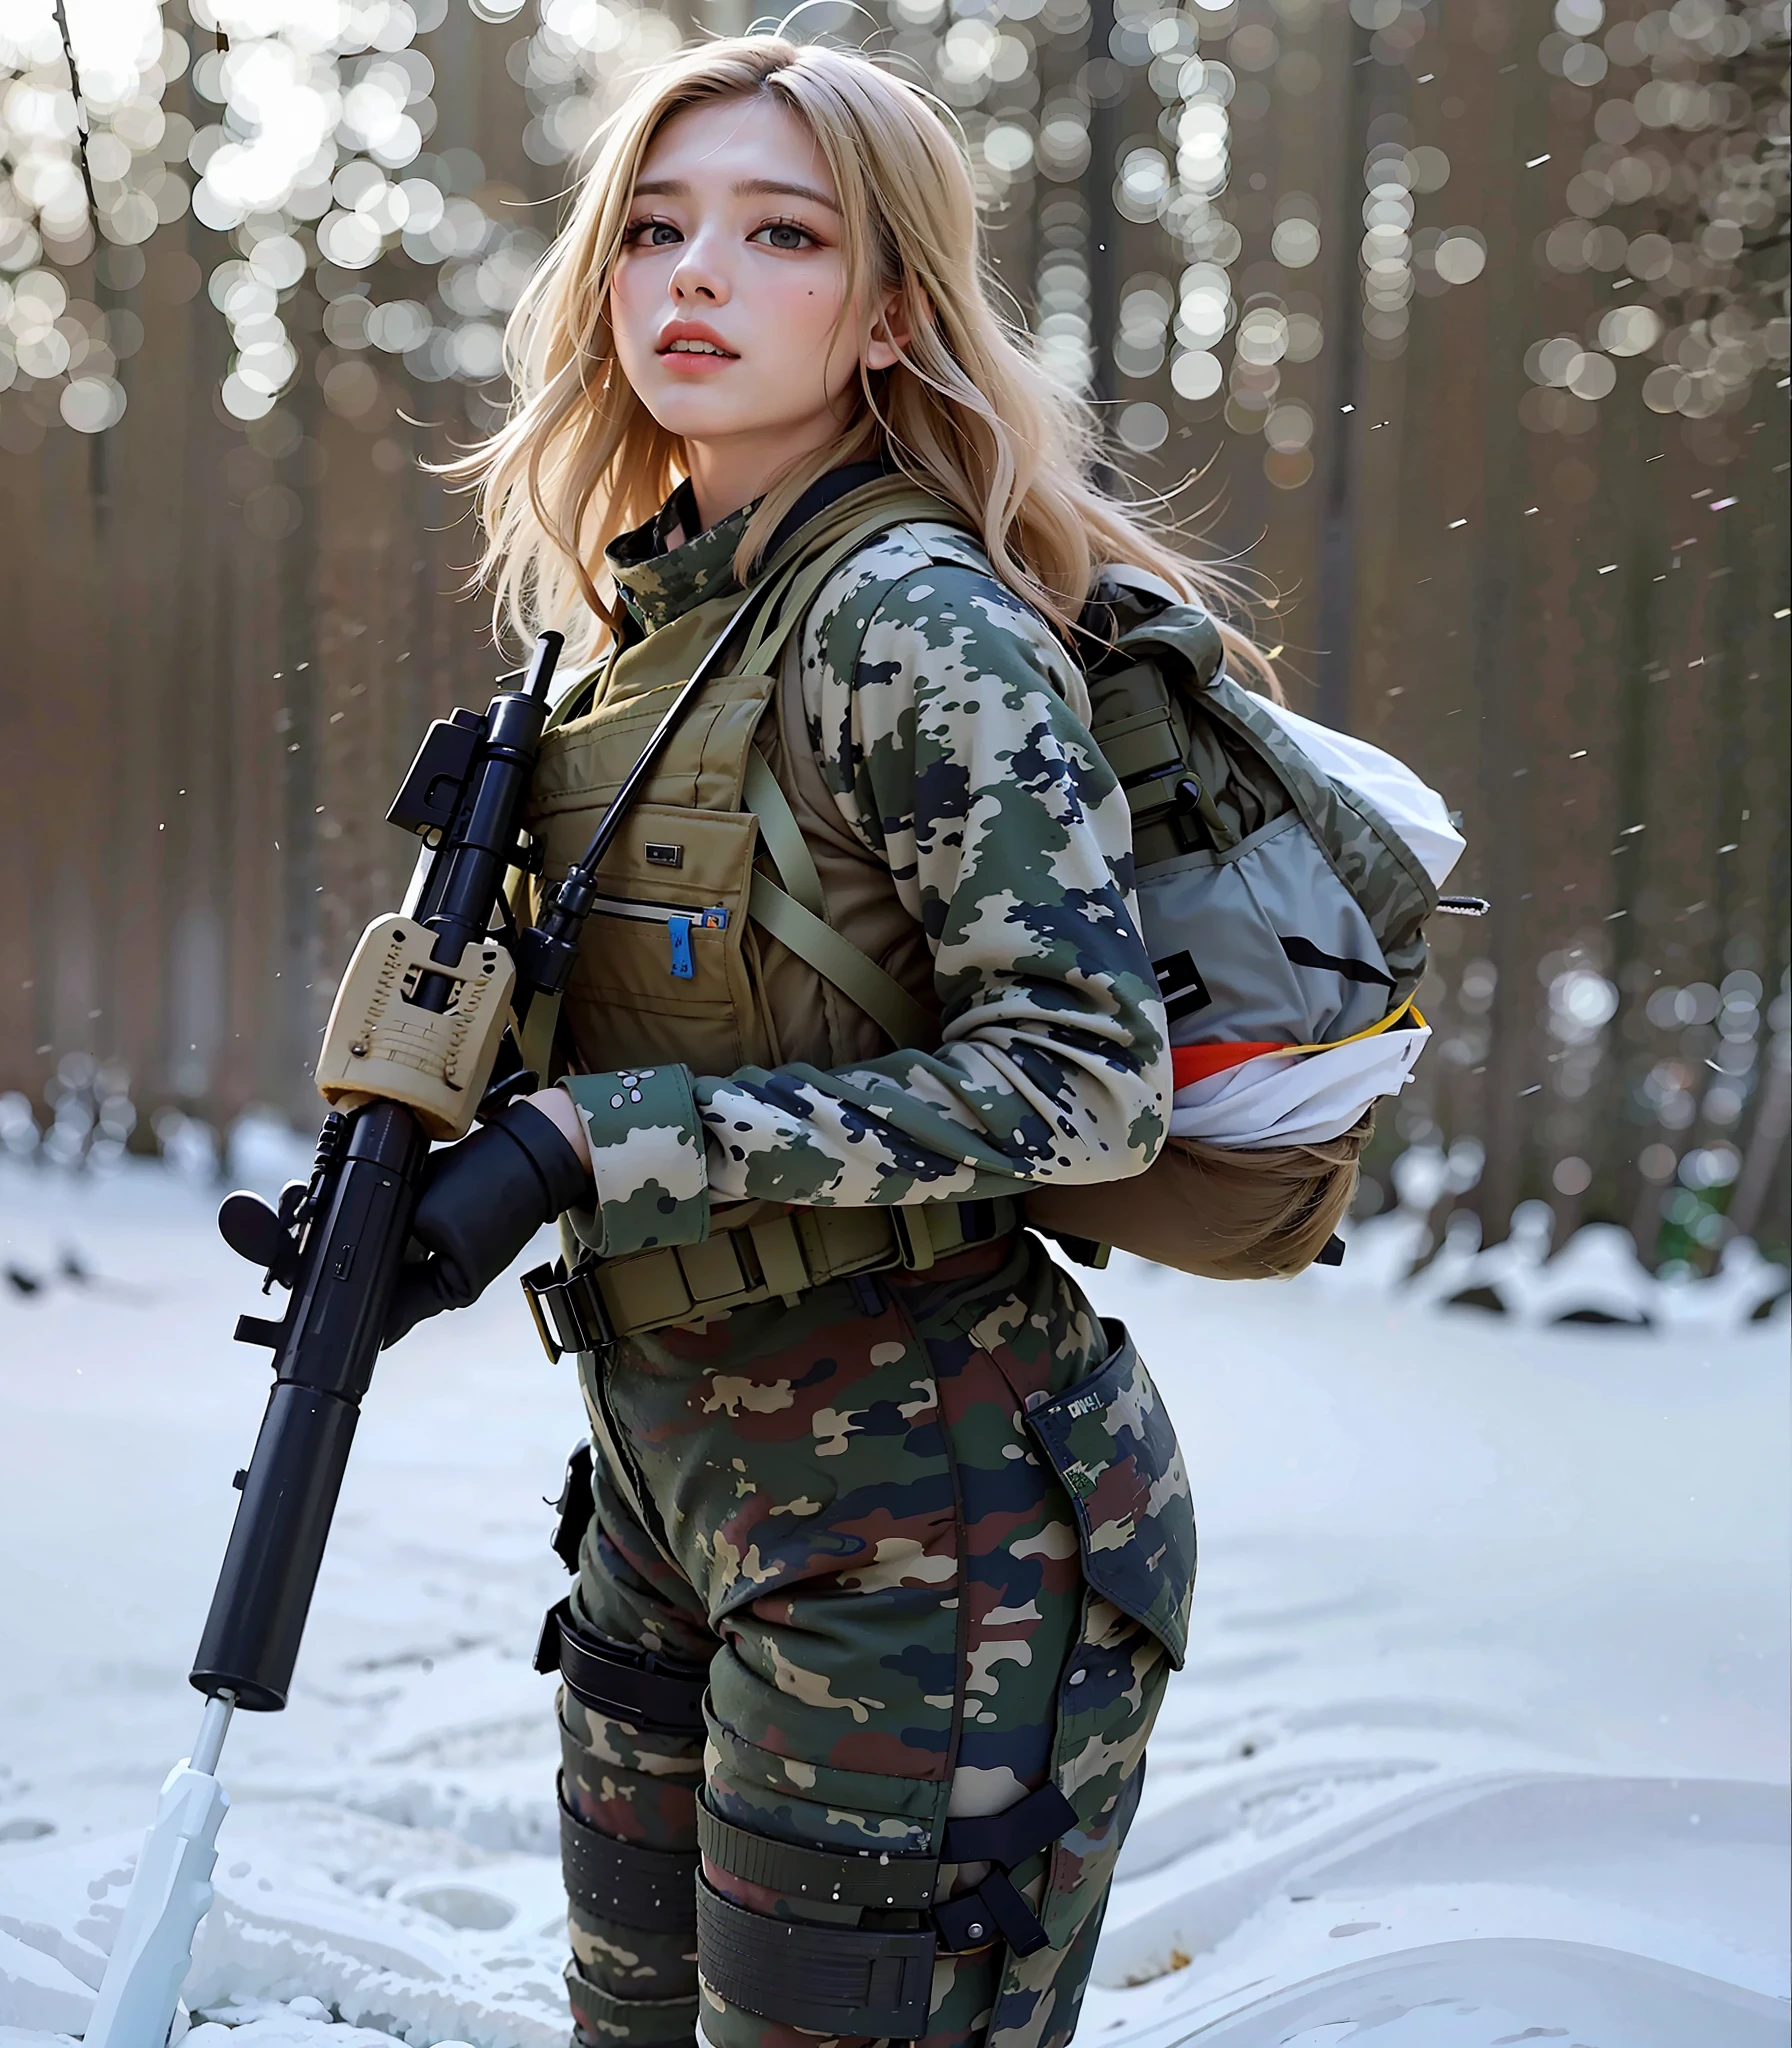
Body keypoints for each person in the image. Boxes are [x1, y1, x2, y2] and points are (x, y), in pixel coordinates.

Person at [385, 35, 1269, 2048]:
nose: (695, 276)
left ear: (885, 315)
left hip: (923, 1530)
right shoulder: (639, 632)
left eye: (780, 235)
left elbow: (1078, 1073)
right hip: (668, 1495)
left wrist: (603, 1145)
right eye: (655, 228)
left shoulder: (912, 622)